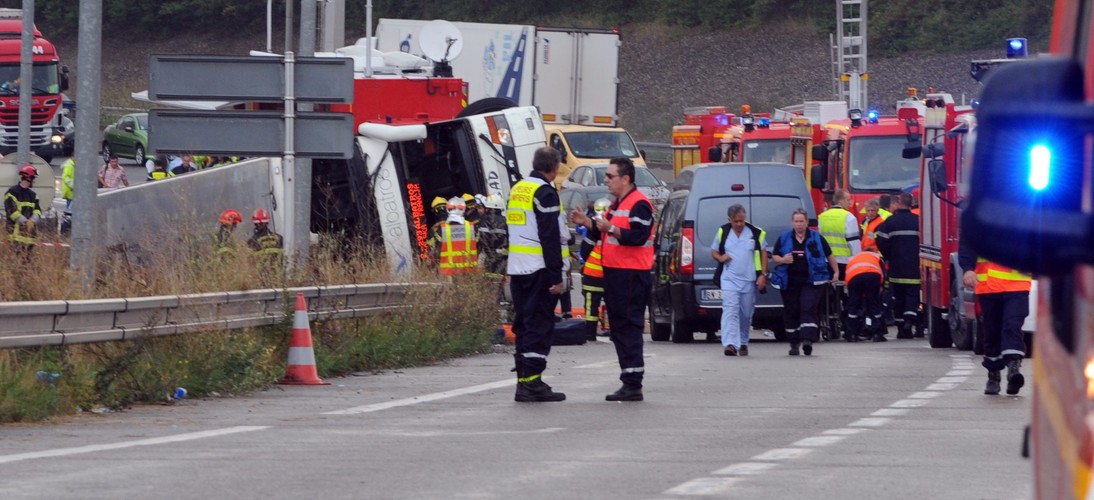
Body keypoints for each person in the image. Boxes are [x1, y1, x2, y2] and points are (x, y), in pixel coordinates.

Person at [571, 156, 655, 402]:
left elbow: (637, 236)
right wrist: (587, 222)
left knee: (628, 327)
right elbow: (602, 231)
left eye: (610, 176)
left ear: (625, 178)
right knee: (619, 328)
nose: (606, 180)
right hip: (616, 273)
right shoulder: (617, 203)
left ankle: (633, 382)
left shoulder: (640, 204)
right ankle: (628, 379)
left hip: (631, 275)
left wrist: (610, 228)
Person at [507, 147, 567, 402]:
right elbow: (549, 236)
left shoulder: (518, 188)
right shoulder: (545, 192)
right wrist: (556, 276)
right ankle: (533, 383)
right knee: (539, 325)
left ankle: (524, 382)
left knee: (524, 325)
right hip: (538, 268)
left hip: (517, 268)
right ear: (553, 168)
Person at [959, 243, 1030, 395]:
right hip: (988, 287)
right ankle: (993, 375)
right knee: (991, 332)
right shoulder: (982, 219)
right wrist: (968, 269)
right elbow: (969, 243)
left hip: (1017, 286)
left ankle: (1013, 369)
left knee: (1012, 325)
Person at [769, 208, 838, 356]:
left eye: (801, 221)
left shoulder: (817, 238)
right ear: (792, 222)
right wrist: (783, 260)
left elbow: (830, 255)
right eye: (796, 221)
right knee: (791, 310)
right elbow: (774, 256)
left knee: (808, 308)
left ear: (807, 222)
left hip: (812, 281)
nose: (799, 224)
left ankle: (808, 340)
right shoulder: (784, 238)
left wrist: (836, 272)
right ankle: (794, 343)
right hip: (790, 282)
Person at [709, 204, 768, 356]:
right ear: (730, 220)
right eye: (736, 221)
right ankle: (730, 343)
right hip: (729, 279)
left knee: (746, 313)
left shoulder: (755, 233)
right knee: (730, 309)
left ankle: (743, 342)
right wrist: (721, 258)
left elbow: (763, 253)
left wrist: (763, 274)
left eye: (742, 221)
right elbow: (714, 251)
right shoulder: (723, 232)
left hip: (749, 280)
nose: (739, 224)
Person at [875, 193, 921, 339]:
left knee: (898, 297)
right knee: (913, 295)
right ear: (911, 203)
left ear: (899, 203)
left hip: (896, 266)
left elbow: (880, 241)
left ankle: (901, 327)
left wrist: (889, 255)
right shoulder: (918, 221)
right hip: (915, 266)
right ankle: (909, 320)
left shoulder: (890, 222)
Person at [579, 198, 611, 341]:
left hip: (592, 275)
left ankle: (590, 333)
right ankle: (613, 331)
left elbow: (585, 250)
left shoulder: (593, 231)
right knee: (613, 304)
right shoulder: (613, 228)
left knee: (591, 306)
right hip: (611, 275)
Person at [844, 250, 887, 342]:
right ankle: (877, 333)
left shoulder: (854, 258)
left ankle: (851, 333)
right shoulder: (877, 256)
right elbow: (883, 273)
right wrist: (881, 286)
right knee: (874, 303)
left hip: (853, 277)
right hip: (872, 275)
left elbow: (848, 274)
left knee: (853, 306)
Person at [818, 189, 861, 281]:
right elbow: (854, 243)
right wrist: (857, 260)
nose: (850, 203)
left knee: (829, 291)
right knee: (842, 291)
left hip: (826, 260)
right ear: (840, 201)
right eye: (848, 200)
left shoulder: (822, 216)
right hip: (844, 261)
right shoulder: (849, 217)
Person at [477, 193, 509, 302]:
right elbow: (509, 241)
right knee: (501, 282)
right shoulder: (505, 221)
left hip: (488, 257)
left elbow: (480, 240)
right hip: (503, 258)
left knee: (489, 282)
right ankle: (503, 302)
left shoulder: (483, 221)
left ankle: (492, 303)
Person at [5, 164, 42, 254]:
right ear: (28, 178)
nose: (35, 181)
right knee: (16, 263)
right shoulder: (12, 192)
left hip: (30, 238)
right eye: (34, 178)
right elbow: (12, 211)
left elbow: (37, 210)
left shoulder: (33, 195)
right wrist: (26, 222)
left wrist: (33, 220)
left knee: (27, 264)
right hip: (15, 236)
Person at [437, 196, 478, 276]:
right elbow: (480, 247)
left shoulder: (441, 229)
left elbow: (435, 250)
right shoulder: (472, 227)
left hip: (448, 272)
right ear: (463, 209)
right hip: (469, 272)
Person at [426, 196, 448, 264]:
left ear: (435, 212)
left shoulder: (433, 230)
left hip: (442, 265)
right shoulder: (458, 224)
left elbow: (429, 252)